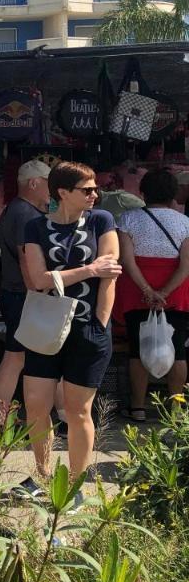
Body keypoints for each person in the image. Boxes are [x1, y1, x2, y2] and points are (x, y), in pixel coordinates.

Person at [21, 161, 121, 486]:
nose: (95, 194)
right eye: (87, 189)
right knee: (36, 406)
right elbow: (37, 279)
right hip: (46, 326)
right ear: (63, 192)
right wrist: (89, 270)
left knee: (79, 412)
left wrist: (100, 323)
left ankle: (76, 483)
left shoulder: (101, 220)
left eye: (95, 188)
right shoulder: (35, 227)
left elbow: (111, 276)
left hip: (88, 326)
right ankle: (42, 475)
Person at [115, 167, 189, 421]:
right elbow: (186, 265)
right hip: (176, 292)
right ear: (173, 194)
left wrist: (148, 291)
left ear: (143, 193)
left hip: (137, 290)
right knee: (178, 348)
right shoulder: (185, 223)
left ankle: (137, 408)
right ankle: (176, 410)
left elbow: (126, 260)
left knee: (138, 348)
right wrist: (165, 292)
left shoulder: (128, 219)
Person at [0, 160, 54, 425]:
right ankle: (0, 416)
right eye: (49, 182)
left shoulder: (15, 209)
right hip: (23, 294)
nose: (52, 189)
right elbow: (24, 256)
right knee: (16, 356)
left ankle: (2, 415)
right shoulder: (25, 213)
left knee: (18, 355)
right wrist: (37, 290)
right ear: (34, 183)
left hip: (16, 292)